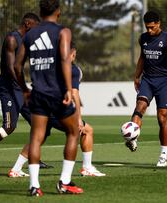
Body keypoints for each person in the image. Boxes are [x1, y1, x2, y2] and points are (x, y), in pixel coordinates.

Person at [14, 0, 83, 196]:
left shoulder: (30, 34)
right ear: (58, 11)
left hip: (38, 93)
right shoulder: (63, 32)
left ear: (40, 11)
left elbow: (17, 67)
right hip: (58, 93)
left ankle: (34, 186)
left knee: (36, 138)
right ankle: (65, 182)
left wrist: (24, 89)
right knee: (73, 132)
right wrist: (69, 89)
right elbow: (64, 59)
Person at [9, 44, 105, 177]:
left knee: (38, 138)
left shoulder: (50, 66)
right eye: (73, 53)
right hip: (56, 109)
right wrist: (78, 118)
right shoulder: (73, 70)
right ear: (71, 53)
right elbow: (75, 94)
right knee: (87, 130)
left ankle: (16, 169)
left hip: (40, 105)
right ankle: (86, 168)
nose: (74, 56)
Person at [125, 11, 167, 167]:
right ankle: (132, 138)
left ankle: (163, 155)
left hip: (163, 81)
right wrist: (137, 76)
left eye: (151, 27)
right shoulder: (143, 38)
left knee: (162, 118)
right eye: (146, 27)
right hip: (147, 80)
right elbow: (142, 57)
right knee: (139, 107)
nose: (149, 30)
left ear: (158, 23)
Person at [0, 13, 41, 165]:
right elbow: (10, 69)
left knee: (38, 123)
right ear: (28, 24)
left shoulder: (26, 42)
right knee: (9, 126)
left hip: (19, 88)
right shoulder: (12, 39)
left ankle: (33, 157)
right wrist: (24, 88)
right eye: (35, 27)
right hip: (8, 88)